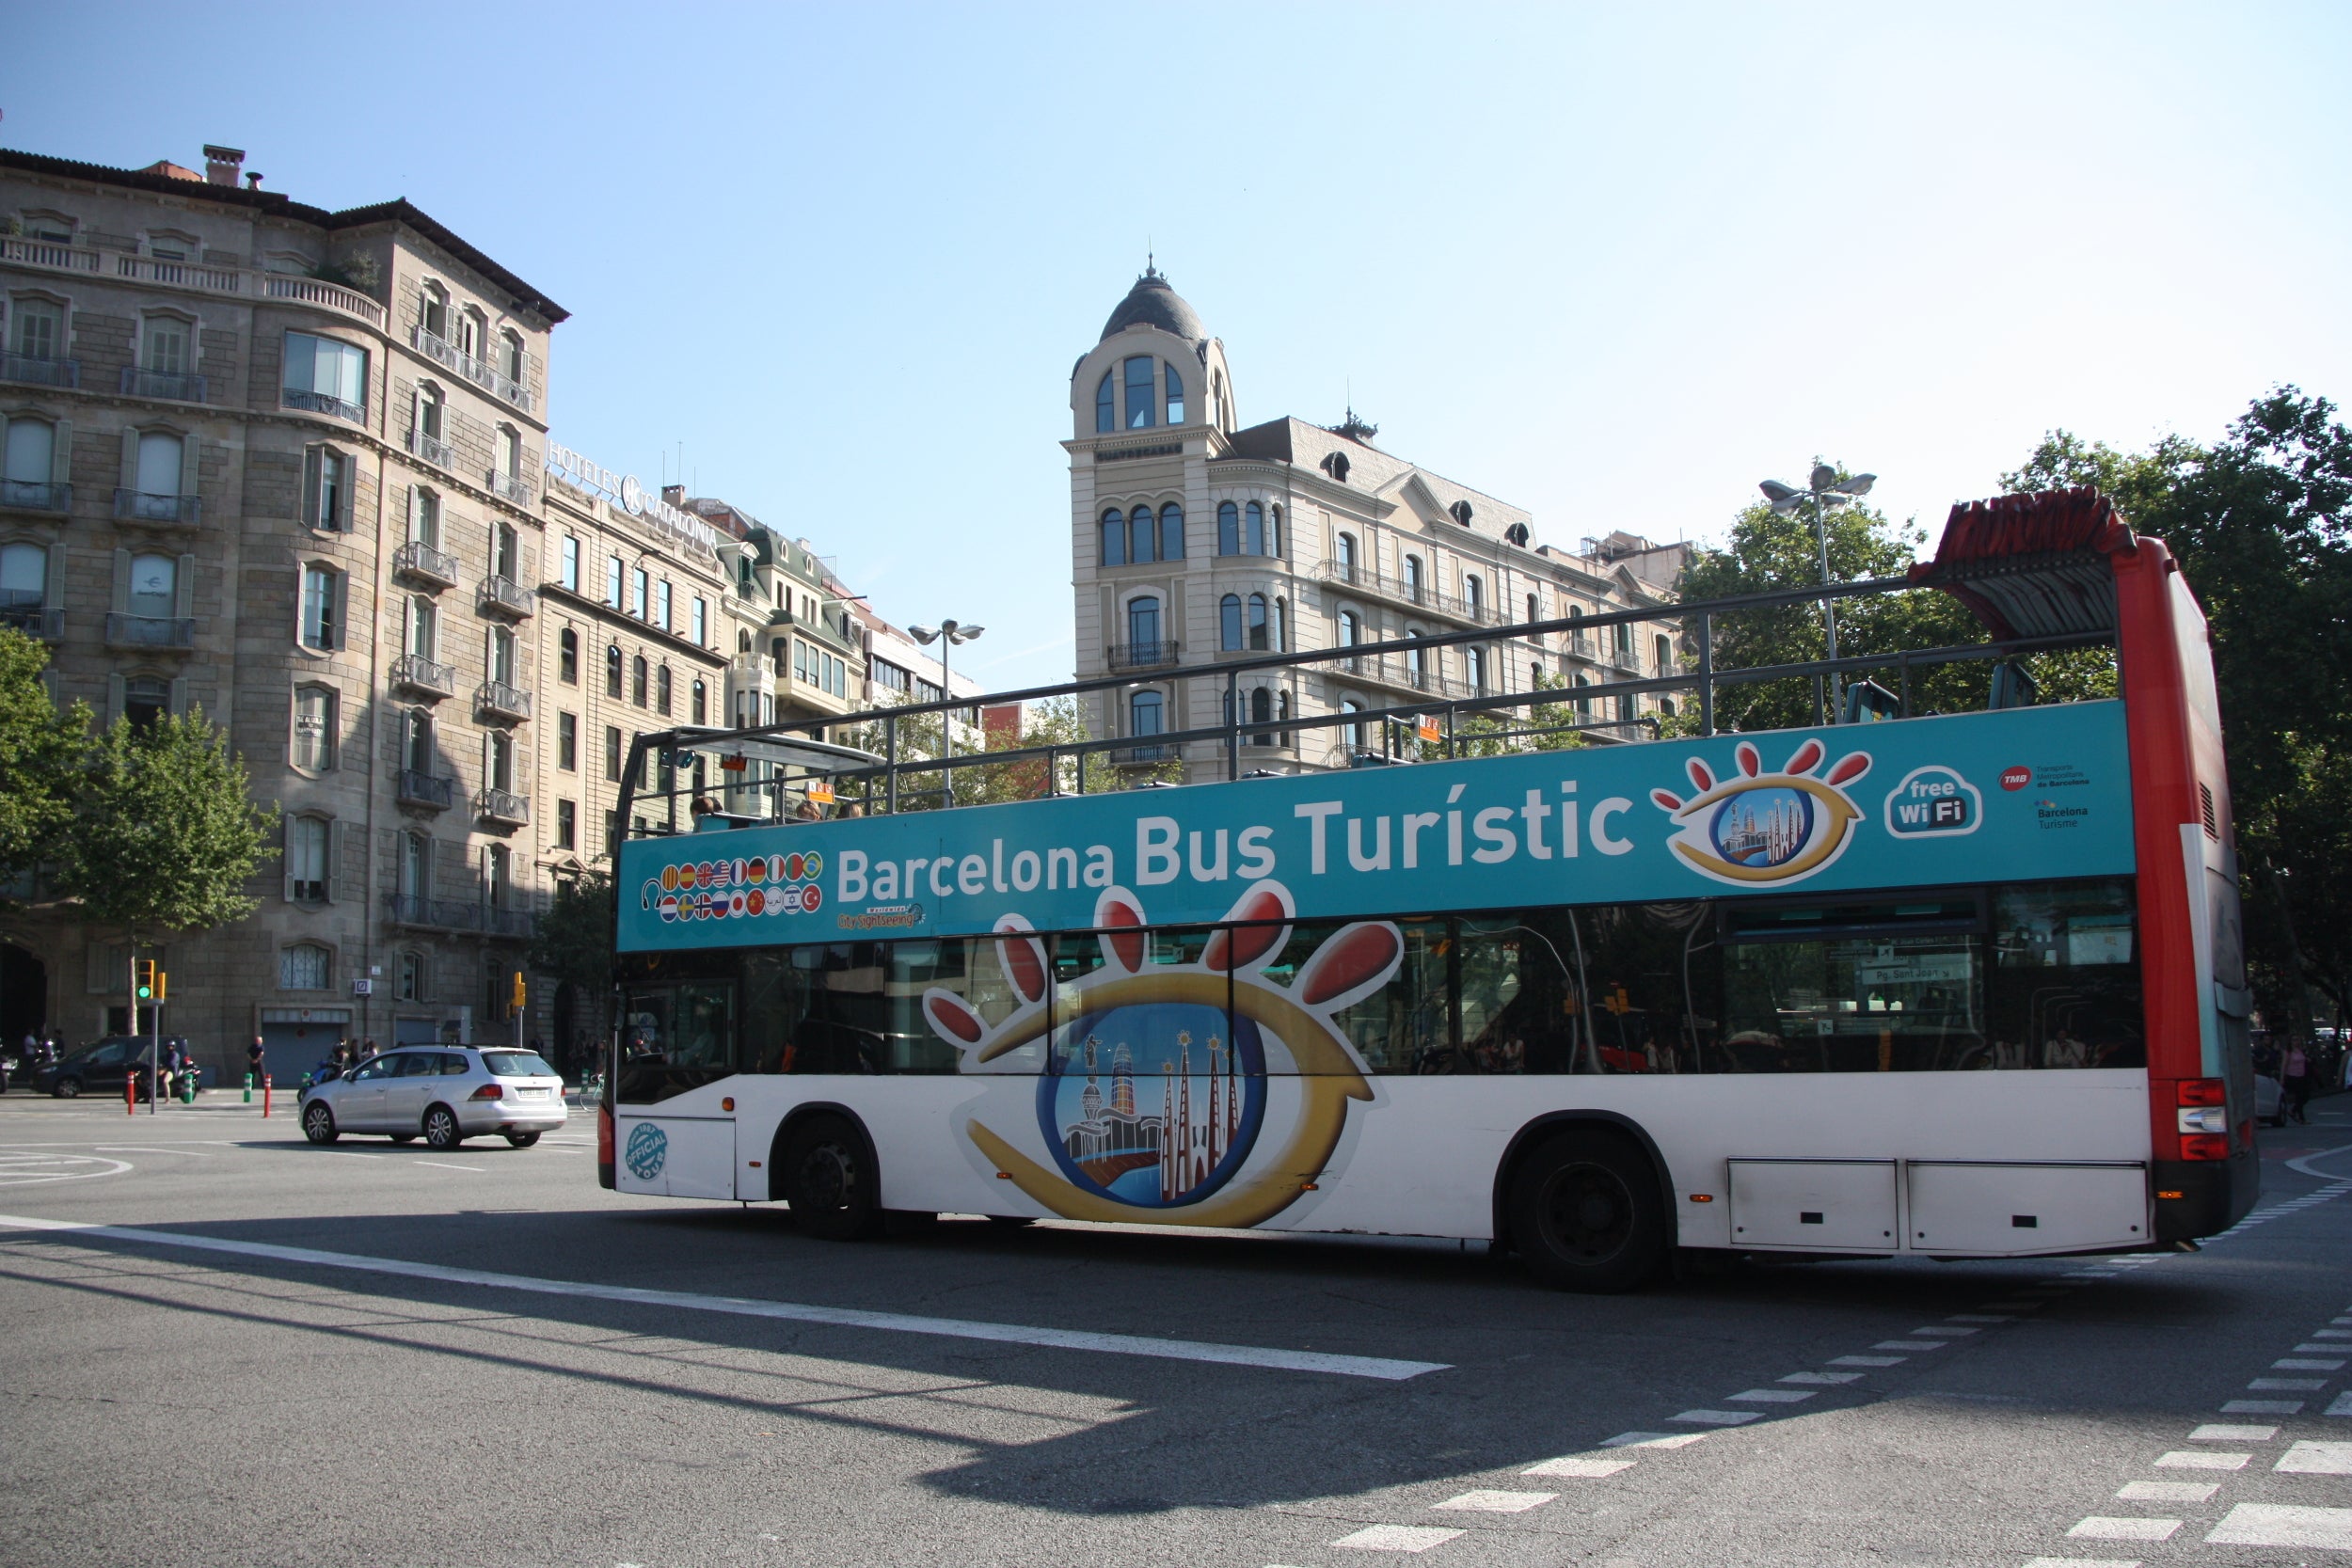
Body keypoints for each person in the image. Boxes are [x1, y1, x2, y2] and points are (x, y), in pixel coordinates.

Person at [2281, 1036, 2312, 1125]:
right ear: (2290, 1042)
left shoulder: (2301, 1051)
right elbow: (2284, 1065)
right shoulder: (2288, 1052)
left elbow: (2306, 1060)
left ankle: (2293, 1110)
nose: (2296, 1042)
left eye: (2298, 1040)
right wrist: (2282, 1078)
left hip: (2301, 1076)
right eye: (2294, 1040)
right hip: (2292, 1076)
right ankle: (2302, 1118)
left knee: (2305, 1096)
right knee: (2299, 1096)